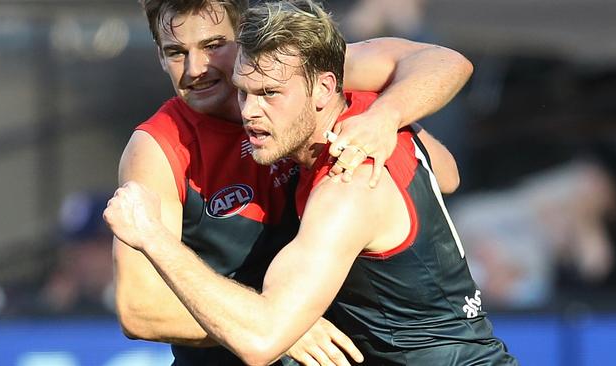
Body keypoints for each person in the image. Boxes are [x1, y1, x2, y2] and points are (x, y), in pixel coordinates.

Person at [105, 0, 516, 365]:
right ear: (159, 56)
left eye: (214, 46)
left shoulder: (344, 152)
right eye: (177, 52)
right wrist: (291, 327)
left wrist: (386, 117)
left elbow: (446, 66)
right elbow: (139, 308)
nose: (197, 69)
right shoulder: (160, 146)